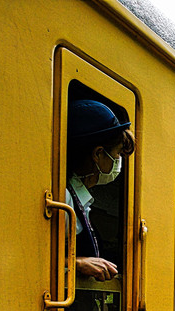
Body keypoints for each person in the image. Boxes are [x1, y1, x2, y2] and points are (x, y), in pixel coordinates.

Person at [66, 99, 135, 282]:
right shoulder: (64, 199)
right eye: (118, 153)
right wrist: (75, 263)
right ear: (98, 154)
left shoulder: (78, 198)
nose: (119, 160)